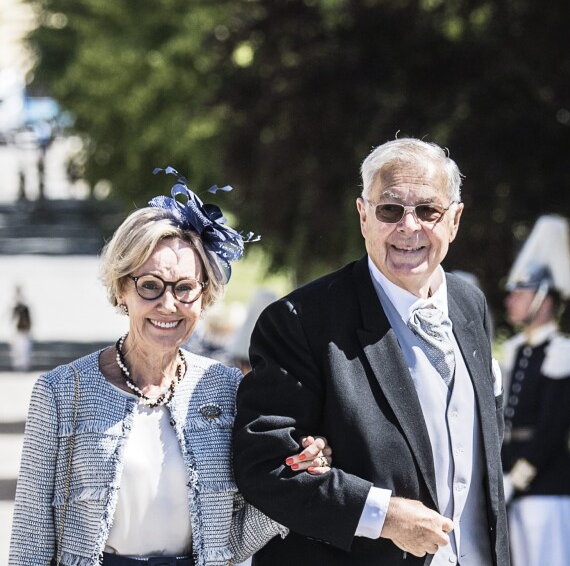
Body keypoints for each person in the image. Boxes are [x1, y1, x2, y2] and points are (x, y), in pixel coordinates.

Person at [9, 167, 332, 566]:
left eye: (184, 288)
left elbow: (232, 540)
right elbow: (30, 540)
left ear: (204, 295)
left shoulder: (228, 388)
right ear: (122, 289)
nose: (168, 304)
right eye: (150, 286)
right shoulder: (60, 392)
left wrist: (295, 476)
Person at [233, 137, 510, 565]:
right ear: (363, 216)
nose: (409, 226)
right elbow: (265, 465)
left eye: (428, 211)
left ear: (454, 220)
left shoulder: (470, 305)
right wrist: (382, 516)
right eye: (390, 210)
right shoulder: (300, 321)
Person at [500, 214, 570, 566]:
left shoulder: (563, 352)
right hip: (512, 481)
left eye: (521, 292)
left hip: (546, 485)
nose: (510, 300)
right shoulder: (517, 350)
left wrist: (516, 479)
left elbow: (552, 428)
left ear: (543, 299)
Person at [11, 285, 32, 371]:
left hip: (24, 330)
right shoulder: (16, 308)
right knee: (18, 348)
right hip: (18, 330)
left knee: (25, 348)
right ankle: (19, 364)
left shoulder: (25, 308)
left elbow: (29, 318)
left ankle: (24, 364)